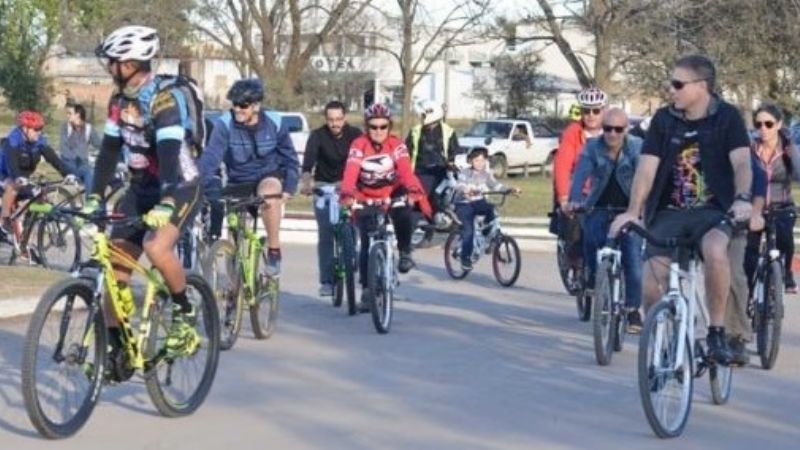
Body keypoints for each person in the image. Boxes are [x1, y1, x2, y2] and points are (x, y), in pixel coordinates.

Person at [610, 54, 753, 365]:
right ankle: (665, 340)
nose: (671, 90)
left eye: (677, 84)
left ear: (701, 86)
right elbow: (646, 169)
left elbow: (742, 162)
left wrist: (742, 197)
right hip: (669, 212)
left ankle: (716, 332)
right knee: (651, 282)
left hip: (714, 210)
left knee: (716, 249)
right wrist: (634, 210)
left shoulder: (727, 117)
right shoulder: (663, 120)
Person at [88, 25, 204, 362]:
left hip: (180, 185)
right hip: (140, 187)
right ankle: (117, 348)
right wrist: (94, 196)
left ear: (130, 64)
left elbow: (169, 152)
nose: (109, 67)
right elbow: (109, 152)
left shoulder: (163, 99)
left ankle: (184, 312)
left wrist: (168, 200)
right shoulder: (118, 101)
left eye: (113, 62)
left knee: (156, 246)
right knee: (114, 267)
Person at [199, 78, 299, 276]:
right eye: (234, 104)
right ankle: (234, 289)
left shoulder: (275, 122)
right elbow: (211, 157)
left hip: (267, 175)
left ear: (256, 106)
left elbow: (290, 159)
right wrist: (196, 182)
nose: (237, 109)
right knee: (236, 246)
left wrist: (289, 188)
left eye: (243, 105)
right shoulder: (224, 124)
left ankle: (273, 250)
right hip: (237, 180)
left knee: (270, 193)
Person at [340, 103, 431, 311]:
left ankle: (405, 250)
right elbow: (351, 172)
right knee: (366, 242)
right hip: (366, 195)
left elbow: (407, 172)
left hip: (393, 192)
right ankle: (366, 289)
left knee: (404, 211)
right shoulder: (359, 144)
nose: (378, 131)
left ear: (389, 126)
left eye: (383, 127)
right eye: (373, 127)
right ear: (366, 127)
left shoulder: (396, 145)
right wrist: (346, 193)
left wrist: (412, 190)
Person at [567, 108, 644, 332]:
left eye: (618, 129)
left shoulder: (637, 147)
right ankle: (593, 279)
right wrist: (574, 200)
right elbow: (581, 173)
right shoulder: (592, 147)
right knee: (591, 239)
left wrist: (642, 208)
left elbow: (644, 178)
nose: (612, 134)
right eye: (607, 129)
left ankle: (632, 311)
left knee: (632, 257)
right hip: (599, 205)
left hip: (628, 209)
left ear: (626, 129)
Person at [300, 101, 362, 297]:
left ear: (345, 118)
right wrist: (307, 183)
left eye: (338, 119)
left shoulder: (356, 135)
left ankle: (352, 256)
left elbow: (364, 160)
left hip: (348, 187)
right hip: (324, 188)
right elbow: (308, 165)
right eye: (331, 120)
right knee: (325, 233)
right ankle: (326, 281)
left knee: (352, 228)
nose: (335, 124)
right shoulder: (318, 136)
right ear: (326, 120)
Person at [552, 86, 608, 281]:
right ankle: (575, 261)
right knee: (577, 223)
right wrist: (564, 198)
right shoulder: (573, 133)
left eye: (596, 111)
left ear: (604, 111)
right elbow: (562, 165)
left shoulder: (613, 131)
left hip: (606, 190)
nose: (591, 115)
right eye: (586, 111)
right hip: (580, 190)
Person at [744, 103, 800, 293]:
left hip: (781, 206)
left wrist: (792, 156)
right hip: (754, 208)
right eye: (758, 124)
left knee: (785, 242)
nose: (763, 129)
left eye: (768, 124)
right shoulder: (750, 148)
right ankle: (748, 293)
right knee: (749, 252)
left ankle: (787, 274)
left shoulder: (788, 147)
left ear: (778, 124)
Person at [1, 111, 74, 237]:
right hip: (4, 172)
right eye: (36, 129)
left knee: (39, 192)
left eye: (41, 128)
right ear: (25, 128)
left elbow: (53, 158)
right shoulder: (13, 141)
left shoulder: (39, 141)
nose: (39, 132)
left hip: (23, 175)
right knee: (13, 187)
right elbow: (12, 165)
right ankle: (5, 221)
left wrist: (67, 173)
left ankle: (26, 228)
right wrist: (18, 177)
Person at [454, 147, 520, 271]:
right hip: (464, 204)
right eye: (477, 160)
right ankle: (465, 258)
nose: (480, 163)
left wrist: (510, 190)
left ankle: (487, 237)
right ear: (471, 161)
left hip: (478, 201)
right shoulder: (465, 172)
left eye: (482, 160)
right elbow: (460, 184)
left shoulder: (486, 174)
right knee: (469, 231)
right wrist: (466, 189)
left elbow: (496, 185)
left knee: (491, 208)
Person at [405, 99, 460, 226]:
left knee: (443, 198)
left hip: (441, 172)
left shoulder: (448, 131)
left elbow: (454, 151)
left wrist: (452, 163)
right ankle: (410, 231)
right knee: (416, 200)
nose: (421, 118)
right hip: (420, 171)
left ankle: (440, 219)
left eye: (423, 115)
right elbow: (406, 151)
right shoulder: (416, 131)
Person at [59, 103, 102, 195]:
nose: (67, 116)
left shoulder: (89, 129)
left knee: (94, 173)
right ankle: (90, 202)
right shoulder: (65, 127)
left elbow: (99, 144)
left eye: (70, 113)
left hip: (82, 164)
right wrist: (79, 158)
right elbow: (64, 149)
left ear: (77, 115)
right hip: (68, 163)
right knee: (88, 172)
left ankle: (91, 201)